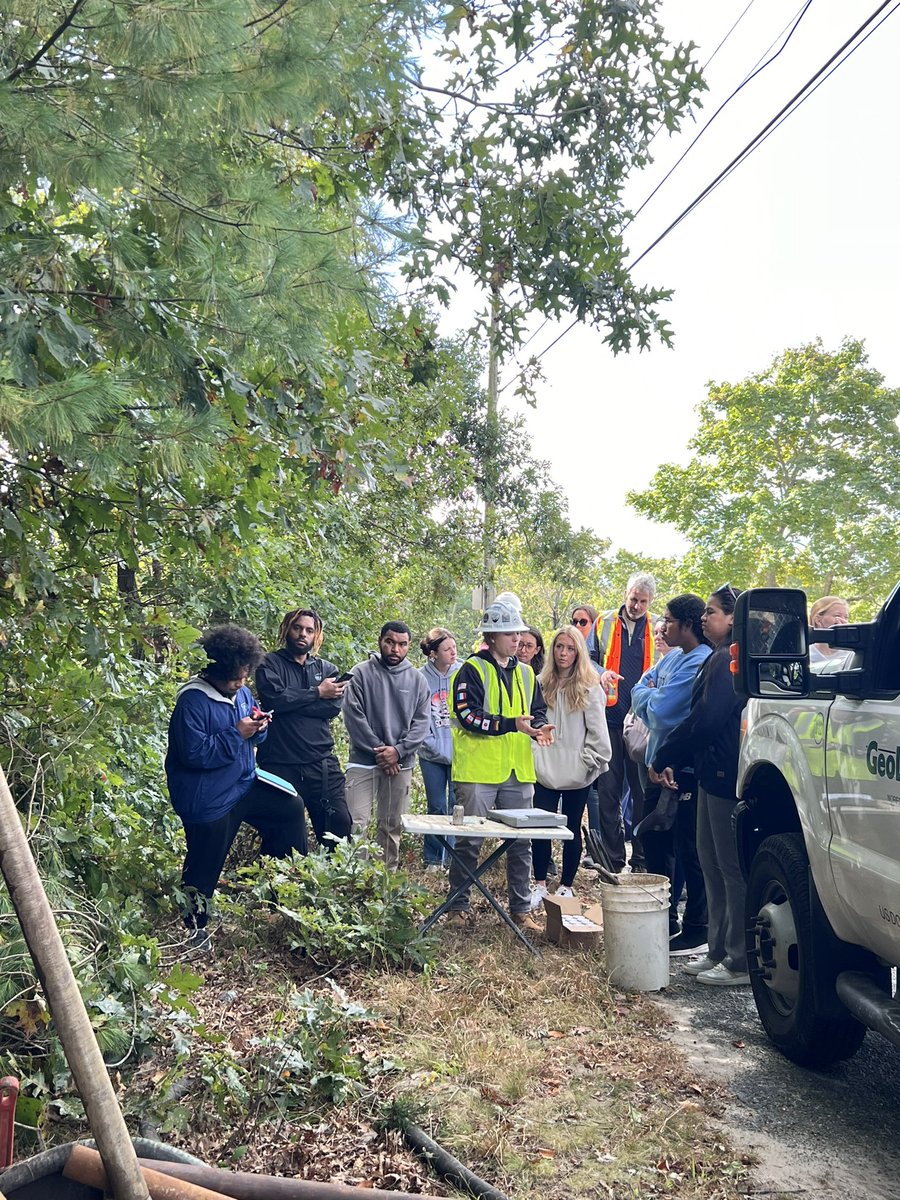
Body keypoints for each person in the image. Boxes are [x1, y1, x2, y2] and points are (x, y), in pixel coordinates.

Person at [165, 625, 307, 947]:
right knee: (205, 860)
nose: (241, 684)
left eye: (245, 677)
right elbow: (194, 755)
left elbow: (251, 734)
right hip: (207, 798)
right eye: (235, 679)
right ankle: (193, 926)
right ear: (216, 669)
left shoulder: (241, 692)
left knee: (289, 809)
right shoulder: (193, 702)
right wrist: (237, 734)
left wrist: (257, 728)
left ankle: (278, 892)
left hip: (243, 783)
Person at [651, 585, 749, 986]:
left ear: (732, 618)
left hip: (727, 775)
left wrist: (666, 753)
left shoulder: (730, 658)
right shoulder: (715, 657)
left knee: (729, 867)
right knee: (710, 863)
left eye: (712, 612)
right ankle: (717, 950)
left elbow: (705, 722)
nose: (705, 617)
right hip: (708, 773)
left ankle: (740, 960)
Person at [445, 599, 554, 932]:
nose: (517, 639)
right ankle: (457, 906)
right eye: (509, 632)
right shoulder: (471, 670)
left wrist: (539, 726)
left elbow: (537, 709)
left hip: (518, 772)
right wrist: (512, 725)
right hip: (479, 772)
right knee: (469, 842)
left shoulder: (525, 672)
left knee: (522, 842)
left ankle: (521, 909)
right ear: (491, 636)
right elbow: (467, 716)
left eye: (519, 631)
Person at [631, 595, 711, 954]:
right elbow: (639, 686)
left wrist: (648, 694)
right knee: (656, 846)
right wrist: (647, 693)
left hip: (680, 770)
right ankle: (665, 922)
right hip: (655, 764)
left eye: (668, 620)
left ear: (688, 625)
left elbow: (661, 711)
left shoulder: (701, 662)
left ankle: (698, 927)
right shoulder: (674, 657)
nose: (662, 626)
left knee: (689, 850)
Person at [255, 608, 352, 853]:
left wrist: (291, 703)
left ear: (316, 636)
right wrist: (317, 692)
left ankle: (334, 887)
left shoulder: (327, 670)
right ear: (287, 629)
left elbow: (331, 709)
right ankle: (281, 889)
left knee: (339, 826)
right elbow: (273, 701)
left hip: (321, 764)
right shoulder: (269, 663)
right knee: (282, 837)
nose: (302, 634)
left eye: (309, 630)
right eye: (298, 628)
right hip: (279, 763)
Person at [530, 627, 611, 905]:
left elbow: (599, 733)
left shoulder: (590, 686)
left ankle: (566, 885)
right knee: (540, 827)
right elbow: (531, 723)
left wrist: (586, 761)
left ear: (578, 652)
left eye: (570, 648)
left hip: (577, 771)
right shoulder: (540, 682)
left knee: (572, 828)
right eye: (559, 647)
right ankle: (540, 883)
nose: (564, 653)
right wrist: (534, 757)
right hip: (544, 768)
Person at [343, 621, 430, 870]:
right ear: (380, 641)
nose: (395, 649)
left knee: (392, 825)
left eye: (402, 644)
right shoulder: (360, 673)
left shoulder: (417, 680)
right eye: (390, 642)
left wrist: (398, 752)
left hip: (400, 765)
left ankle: (385, 882)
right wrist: (382, 752)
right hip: (362, 762)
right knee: (356, 823)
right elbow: (353, 716)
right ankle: (355, 881)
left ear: (409, 647)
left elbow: (421, 723)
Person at [593, 573, 658, 872]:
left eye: (643, 601)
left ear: (651, 602)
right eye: (633, 598)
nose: (636, 605)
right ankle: (613, 859)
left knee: (642, 793)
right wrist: (599, 673)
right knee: (608, 791)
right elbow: (587, 659)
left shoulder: (659, 627)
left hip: (643, 722)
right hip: (608, 717)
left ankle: (643, 858)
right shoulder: (604, 622)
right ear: (625, 593)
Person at [418, 627, 459, 871]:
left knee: (457, 807)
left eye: (454, 647)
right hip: (431, 752)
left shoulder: (463, 671)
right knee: (436, 806)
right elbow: (415, 715)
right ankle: (433, 859)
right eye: (447, 649)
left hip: (458, 752)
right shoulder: (420, 677)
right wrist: (427, 741)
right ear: (433, 653)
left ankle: (452, 858)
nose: (453, 652)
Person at [808, 596, 851, 667]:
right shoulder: (807, 654)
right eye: (837, 616)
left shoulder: (851, 654)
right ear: (818, 620)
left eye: (846, 617)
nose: (844, 621)